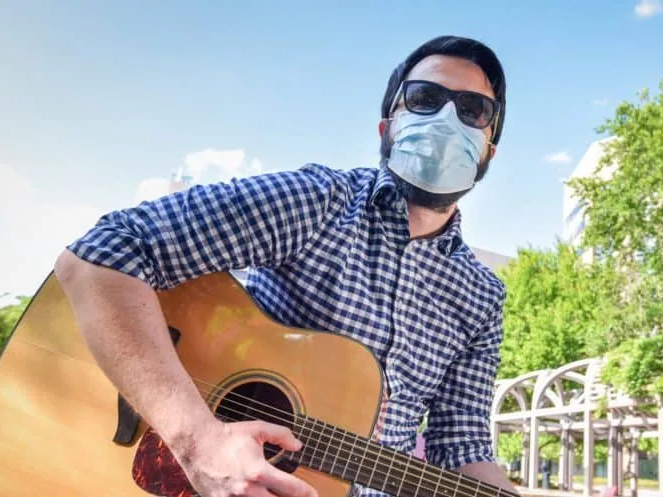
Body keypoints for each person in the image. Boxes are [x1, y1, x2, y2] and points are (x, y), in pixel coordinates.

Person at [54, 35, 513, 497]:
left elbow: (462, 445)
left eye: (473, 110)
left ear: (488, 151)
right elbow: (102, 254)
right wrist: (197, 440)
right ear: (386, 128)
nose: (446, 119)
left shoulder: (482, 297)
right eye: (425, 99)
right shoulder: (319, 203)